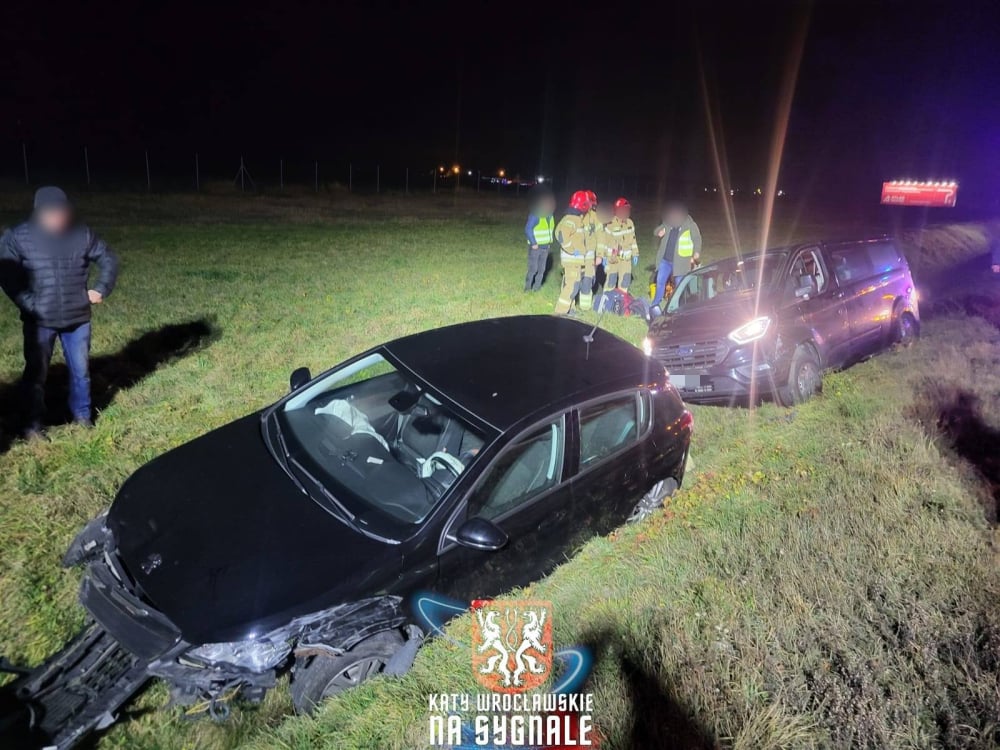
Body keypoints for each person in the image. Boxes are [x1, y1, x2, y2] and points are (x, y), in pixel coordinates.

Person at [0, 187, 119, 436]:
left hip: (78, 320)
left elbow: (107, 257)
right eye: (52, 213)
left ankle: (83, 418)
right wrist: (31, 304)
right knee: (36, 375)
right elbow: (8, 275)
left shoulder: (82, 234)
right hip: (40, 322)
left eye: (62, 212)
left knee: (81, 372)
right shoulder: (18, 237)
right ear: (39, 213)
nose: (58, 218)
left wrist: (101, 289)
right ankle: (32, 425)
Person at [651, 202, 701, 310]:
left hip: (681, 262)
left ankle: (677, 306)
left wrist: (696, 252)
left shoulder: (690, 224)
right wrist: (659, 231)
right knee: (660, 281)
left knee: (679, 286)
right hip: (665, 260)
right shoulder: (668, 221)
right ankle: (655, 303)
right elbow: (656, 231)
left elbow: (697, 238)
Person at [553, 190, 593, 316]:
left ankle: (570, 310)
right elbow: (561, 235)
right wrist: (571, 249)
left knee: (572, 285)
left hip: (575, 262)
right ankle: (560, 312)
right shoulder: (571, 219)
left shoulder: (576, 218)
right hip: (572, 262)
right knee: (571, 287)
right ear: (583, 205)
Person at [523, 189, 556, 291]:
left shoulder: (550, 216)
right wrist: (534, 243)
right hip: (536, 247)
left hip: (545, 247)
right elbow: (528, 229)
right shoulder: (536, 215)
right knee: (533, 269)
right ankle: (527, 287)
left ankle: (536, 288)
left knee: (542, 269)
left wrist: (549, 242)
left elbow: (549, 231)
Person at [606, 197, 639, 291]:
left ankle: (622, 301)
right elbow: (606, 241)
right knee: (611, 281)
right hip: (613, 259)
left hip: (626, 261)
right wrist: (605, 256)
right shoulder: (611, 224)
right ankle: (607, 301)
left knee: (625, 282)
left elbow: (633, 240)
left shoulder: (630, 223)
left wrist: (635, 254)